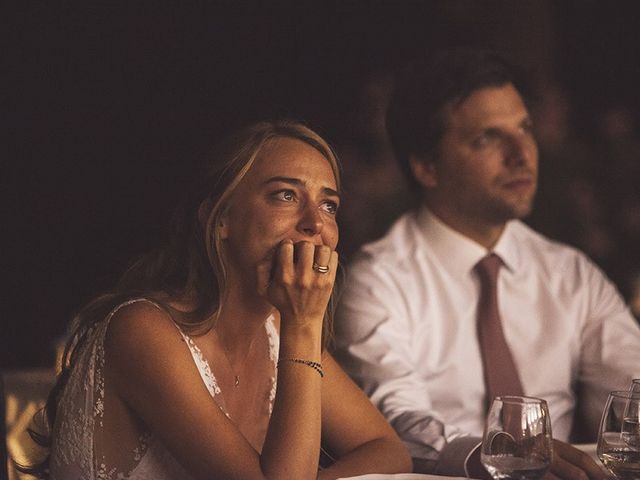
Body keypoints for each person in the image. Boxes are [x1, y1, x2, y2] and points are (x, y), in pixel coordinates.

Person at [28, 120, 411, 480]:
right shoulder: (142, 330)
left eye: (329, 205)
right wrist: (305, 324)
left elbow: (389, 451)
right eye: (286, 195)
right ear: (220, 218)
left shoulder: (276, 329)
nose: (316, 222)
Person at [334, 49, 640, 479]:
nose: (521, 153)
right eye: (487, 138)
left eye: (524, 128)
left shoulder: (570, 273)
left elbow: (632, 390)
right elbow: (395, 423)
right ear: (426, 166)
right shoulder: (376, 282)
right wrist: (492, 456)